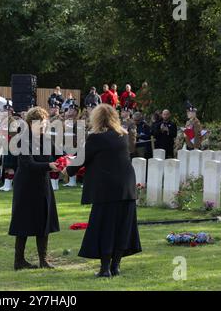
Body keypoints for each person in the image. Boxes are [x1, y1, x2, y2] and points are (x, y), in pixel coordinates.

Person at [64, 104, 142, 277]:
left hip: (107, 190)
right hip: (126, 187)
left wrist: (67, 170)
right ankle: (116, 266)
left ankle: (105, 268)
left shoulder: (96, 138)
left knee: (105, 227)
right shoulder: (122, 135)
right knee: (123, 226)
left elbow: (82, 159)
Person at [9, 107, 61, 270]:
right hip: (25, 185)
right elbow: (28, 164)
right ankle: (19, 261)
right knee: (23, 222)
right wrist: (49, 165)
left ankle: (43, 260)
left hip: (42, 184)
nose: (44, 127)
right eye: (41, 124)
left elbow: (59, 154)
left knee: (43, 221)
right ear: (31, 124)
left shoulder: (46, 139)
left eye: (45, 124)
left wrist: (66, 162)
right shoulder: (22, 139)